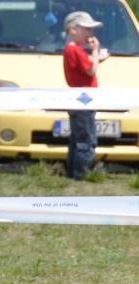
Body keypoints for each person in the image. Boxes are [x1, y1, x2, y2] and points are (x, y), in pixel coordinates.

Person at [62, 10, 108, 180]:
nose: (91, 34)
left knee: (76, 138)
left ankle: (72, 172)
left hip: (77, 99)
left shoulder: (70, 50)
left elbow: (86, 67)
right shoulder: (77, 51)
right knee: (86, 140)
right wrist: (96, 51)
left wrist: (96, 58)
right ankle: (81, 174)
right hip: (84, 100)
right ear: (73, 30)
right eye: (87, 30)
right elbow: (91, 70)